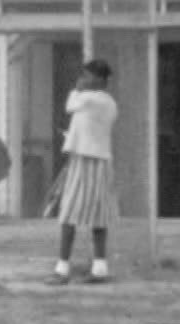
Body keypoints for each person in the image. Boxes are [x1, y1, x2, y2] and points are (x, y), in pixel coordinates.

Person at [48, 59, 119, 285]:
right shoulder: (96, 101)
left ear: (100, 80)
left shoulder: (97, 100)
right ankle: (98, 268)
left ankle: (63, 269)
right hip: (85, 159)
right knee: (93, 216)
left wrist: (77, 88)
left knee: (71, 214)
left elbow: (70, 105)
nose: (84, 79)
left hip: (93, 162)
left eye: (88, 76)